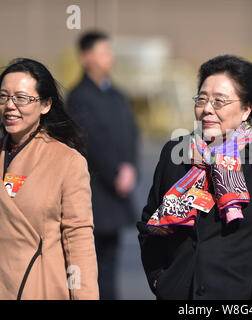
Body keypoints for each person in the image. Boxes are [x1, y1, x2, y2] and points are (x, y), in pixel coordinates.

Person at [137, 55, 252, 300]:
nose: (207, 109)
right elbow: (149, 225)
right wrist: (160, 279)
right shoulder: (176, 152)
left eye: (219, 101)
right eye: (202, 99)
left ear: (246, 109)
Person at [0, 58, 98, 299]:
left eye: (21, 98)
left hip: (39, 285)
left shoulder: (67, 162)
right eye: (3, 97)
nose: (10, 106)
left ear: (45, 105)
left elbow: (78, 240)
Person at [67, 31, 139, 300]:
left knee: (110, 266)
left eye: (111, 51)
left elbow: (131, 134)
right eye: (103, 51)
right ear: (86, 57)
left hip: (117, 194)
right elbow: (91, 140)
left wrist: (130, 168)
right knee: (89, 269)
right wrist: (115, 173)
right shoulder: (79, 97)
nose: (110, 56)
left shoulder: (118, 95)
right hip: (95, 194)